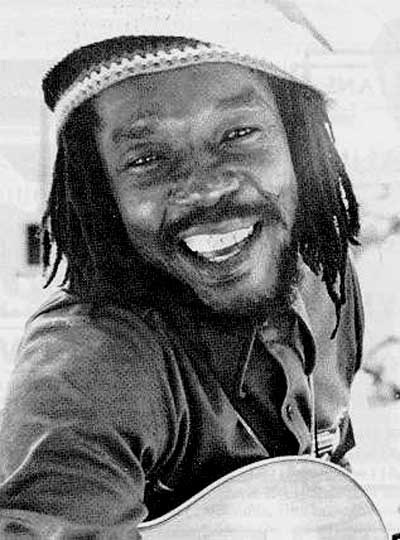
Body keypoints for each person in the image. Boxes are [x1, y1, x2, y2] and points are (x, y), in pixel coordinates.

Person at [0, 1, 364, 537]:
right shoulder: (93, 365)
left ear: (297, 141)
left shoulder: (324, 281)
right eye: (146, 159)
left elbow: (331, 481)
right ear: (102, 193)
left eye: (239, 133)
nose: (207, 188)